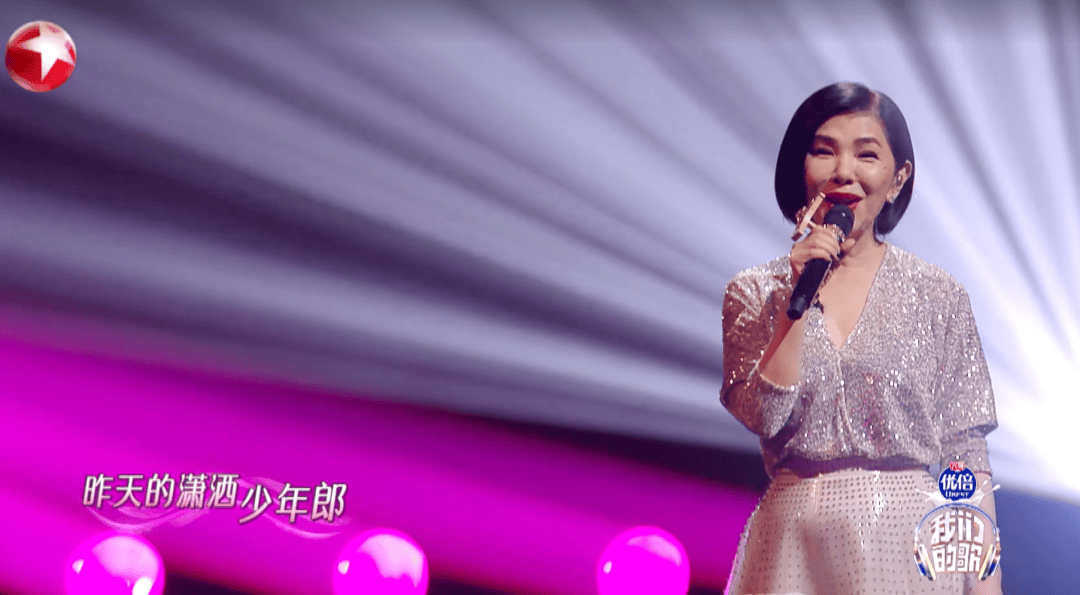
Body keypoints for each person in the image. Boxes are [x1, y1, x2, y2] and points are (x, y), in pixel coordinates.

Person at [720, 82, 1001, 595]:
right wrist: (792, 303)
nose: (843, 171)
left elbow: (964, 455)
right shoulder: (755, 291)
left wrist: (985, 586)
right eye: (824, 151)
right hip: (789, 547)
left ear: (898, 178)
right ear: (800, 168)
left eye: (866, 154)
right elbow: (763, 415)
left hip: (905, 544)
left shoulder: (937, 295)